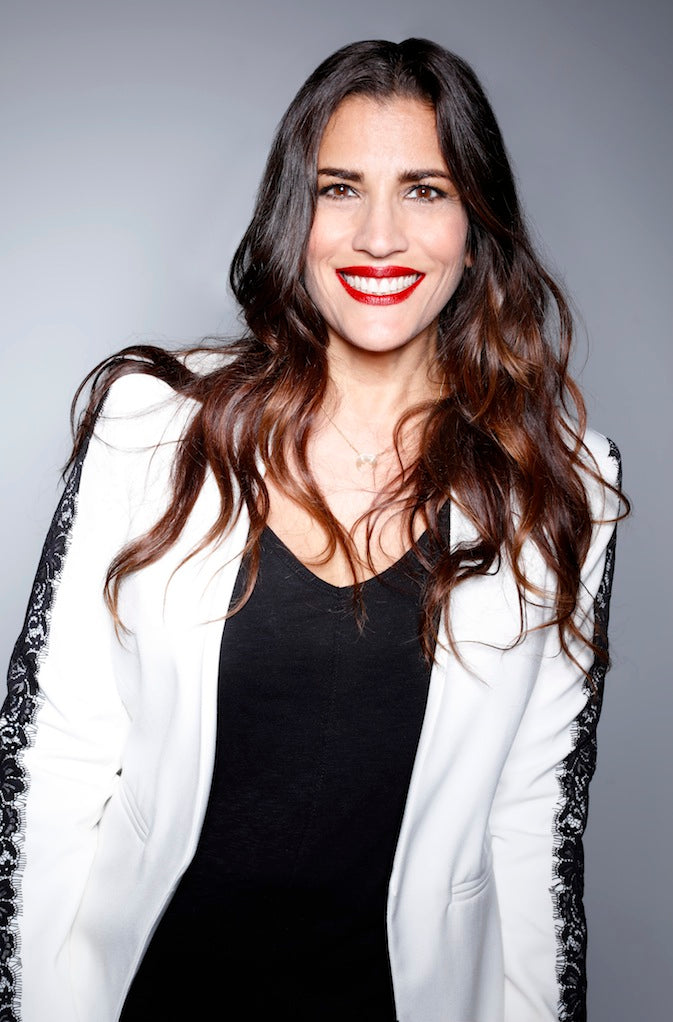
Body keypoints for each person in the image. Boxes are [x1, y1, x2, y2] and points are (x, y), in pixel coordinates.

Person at [0, 37, 625, 1022]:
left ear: (475, 227)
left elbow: (534, 822)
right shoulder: (150, 428)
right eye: (341, 189)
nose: (379, 235)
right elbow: (52, 762)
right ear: (296, 215)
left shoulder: (562, 487)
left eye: (424, 190)